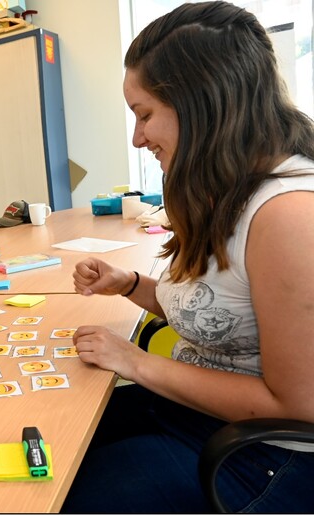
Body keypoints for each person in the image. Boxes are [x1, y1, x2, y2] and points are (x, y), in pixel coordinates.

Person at [61, 2, 314, 513]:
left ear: (203, 104)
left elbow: (299, 407)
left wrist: (134, 362)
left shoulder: (289, 217)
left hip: (263, 455)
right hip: (195, 414)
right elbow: (224, 312)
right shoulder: (230, 188)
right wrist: (130, 283)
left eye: (145, 114)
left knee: (69, 495)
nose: (138, 137)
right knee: (55, 440)